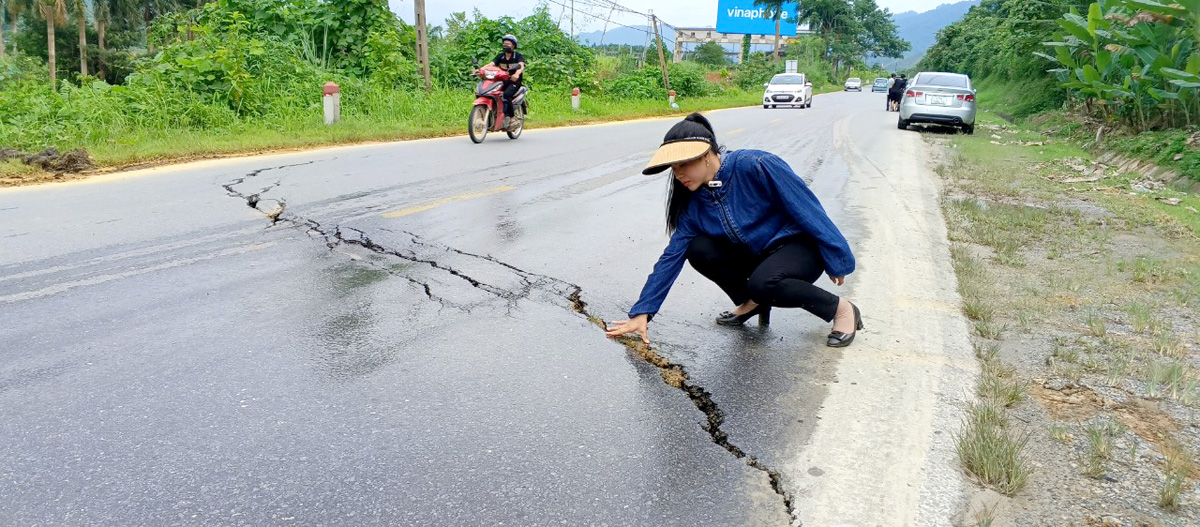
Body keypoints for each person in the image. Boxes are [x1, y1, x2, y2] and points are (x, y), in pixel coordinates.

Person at [604, 113, 863, 348]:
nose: (678, 174)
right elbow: (670, 259)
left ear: (707, 155)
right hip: (758, 256)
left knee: (765, 283)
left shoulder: (756, 164)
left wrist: (836, 257)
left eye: (683, 164)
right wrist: (643, 312)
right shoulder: (694, 204)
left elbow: (807, 208)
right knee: (698, 249)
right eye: (673, 168)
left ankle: (841, 310)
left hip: (797, 247)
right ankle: (751, 303)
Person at [485, 34, 526, 127]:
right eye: (504, 43)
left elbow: (521, 65)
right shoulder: (500, 56)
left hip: (514, 82)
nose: (506, 45)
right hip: (501, 81)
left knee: (506, 95)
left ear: (513, 45)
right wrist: (480, 70)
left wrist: (516, 74)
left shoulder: (518, 56)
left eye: (508, 44)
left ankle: (512, 117)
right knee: (489, 92)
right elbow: (491, 64)